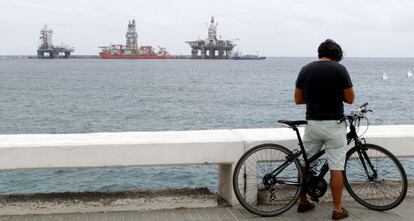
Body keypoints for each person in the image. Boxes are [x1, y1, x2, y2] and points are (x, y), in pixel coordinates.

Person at [294, 39, 355, 220]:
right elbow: (350, 99)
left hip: (313, 124)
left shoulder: (305, 69)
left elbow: (298, 99)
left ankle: (303, 201)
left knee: (306, 163)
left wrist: (314, 99)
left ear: (319, 53)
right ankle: (337, 209)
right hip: (334, 126)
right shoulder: (340, 69)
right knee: (336, 167)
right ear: (337, 55)